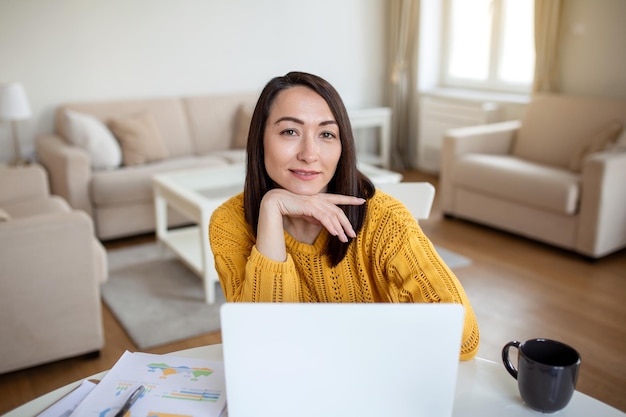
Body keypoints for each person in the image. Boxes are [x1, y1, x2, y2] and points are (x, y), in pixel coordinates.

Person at [209, 71, 479, 360]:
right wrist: (272, 208)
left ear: (343, 146)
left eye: (326, 134)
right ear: (259, 139)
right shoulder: (230, 222)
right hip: (287, 385)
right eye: (290, 131)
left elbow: (463, 339)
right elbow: (263, 343)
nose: (309, 154)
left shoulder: (384, 219)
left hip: (371, 379)